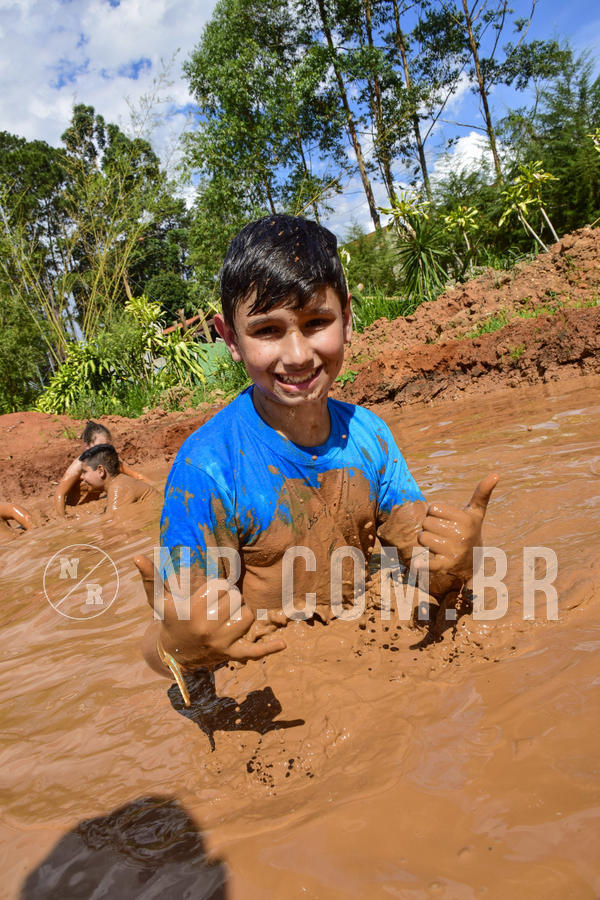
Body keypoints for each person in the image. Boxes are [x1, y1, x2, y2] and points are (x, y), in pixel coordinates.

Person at [135, 215, 497, 702]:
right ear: (229, 338)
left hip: (362, 661)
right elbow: (170, 642)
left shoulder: (370, 437)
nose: (298, 354)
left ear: (347, 318)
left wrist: (461, 560)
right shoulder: (206, 471)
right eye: (267, 330)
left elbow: (424, 570)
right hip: (268, 688)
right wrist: (175, 649)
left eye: (315, 323)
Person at [55, 421, 151, 517]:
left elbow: (138, 477)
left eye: (106, 446)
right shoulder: (79, 466)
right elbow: (60, 494)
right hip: (78, 510)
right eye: (99, 447)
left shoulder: (109, 462)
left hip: (95, 511)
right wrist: (63, 519)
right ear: (87, 447)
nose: (104, 451)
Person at [79, 444, 156, 518]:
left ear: (101, 471)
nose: (81, 477)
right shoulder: (120, 482)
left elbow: (114, 525)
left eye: (84, 472)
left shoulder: (118, 487)